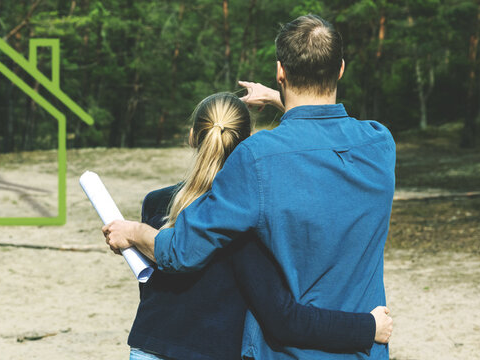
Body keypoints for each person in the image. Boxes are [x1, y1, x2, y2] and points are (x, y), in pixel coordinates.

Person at [104, 15, 396, 359]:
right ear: (341, 69)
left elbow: (182, 251)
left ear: (280, 71)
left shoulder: (256, 159)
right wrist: (279, 98)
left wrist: (135, 232)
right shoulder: (380, 144)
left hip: (292, 351)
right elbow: (331, 127)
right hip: (366, 346)